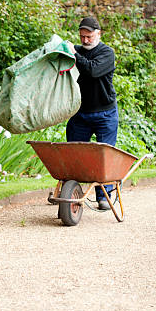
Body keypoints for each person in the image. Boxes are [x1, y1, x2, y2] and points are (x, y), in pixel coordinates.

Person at [66, 16, 118, 210]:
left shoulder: (106, 53)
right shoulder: (76, 51)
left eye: (89, 36)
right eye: (82, 37)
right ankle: (70, 192)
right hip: (80, 114)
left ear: (98, 34)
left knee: (103, 157)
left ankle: (104, 197)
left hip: (105, 113)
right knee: (73, 155)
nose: (85, 40)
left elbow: (92, 71)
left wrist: (74, 54)